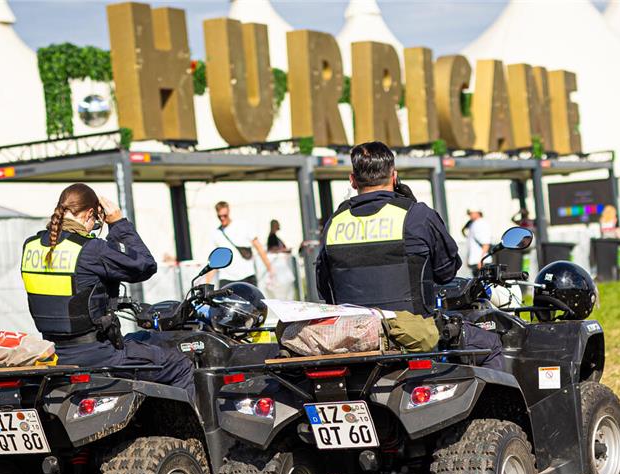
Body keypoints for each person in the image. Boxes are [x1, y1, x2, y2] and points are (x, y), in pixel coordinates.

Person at [315, 141, 504, 370]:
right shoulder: (416, 215)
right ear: (394, 177)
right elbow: (446, 272)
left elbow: (325, 289)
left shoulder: (335, 223)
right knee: (490, 345)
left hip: (351, 340)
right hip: (411, 338)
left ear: (352, 180)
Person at [20, 184, 192, 388]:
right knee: (181, 365)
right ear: (90, 213)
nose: (94, 226)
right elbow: (145, 265)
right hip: (98, 355)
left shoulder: (31, 246)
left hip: (55, 352)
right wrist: (118, 223)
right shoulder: (91, 249)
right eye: (95, 222)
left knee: (140, 339)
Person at [210, 201, 273, 286]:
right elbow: (215, 259)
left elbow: (259, 247)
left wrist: (270, 268)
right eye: (219, 216)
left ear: (229, 212)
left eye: (225, 215)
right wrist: (207, 282)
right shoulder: (216, 233)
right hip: (226, 278)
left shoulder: (243, 226)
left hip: (247, 276)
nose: (222, 218)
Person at [465, 209, 494, 275]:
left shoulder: (481, 224)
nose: (469, 215)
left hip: (482, 262)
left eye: (471, 213)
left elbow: (486, 243)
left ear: (478, 213)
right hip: (477, 261)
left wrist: (481, 260)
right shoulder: (474, 223)